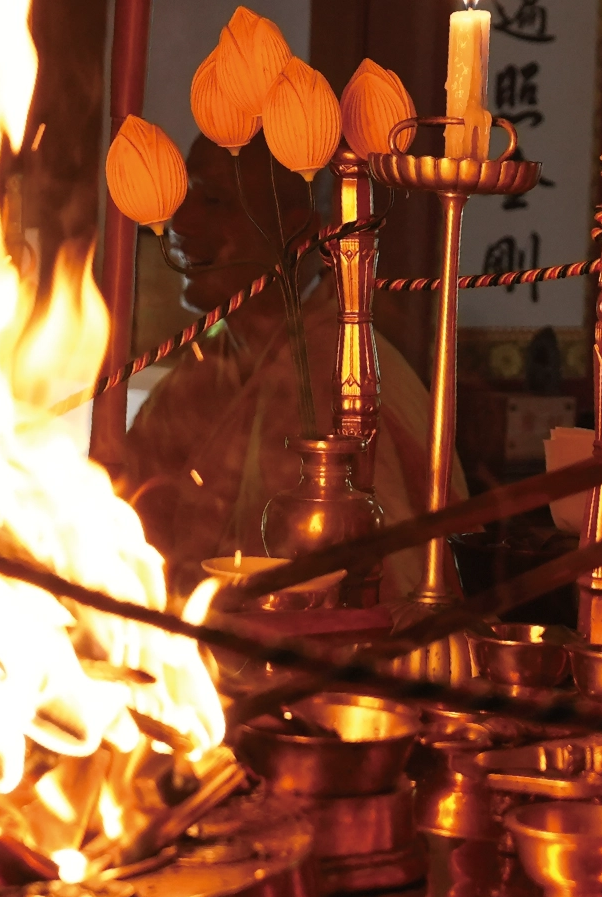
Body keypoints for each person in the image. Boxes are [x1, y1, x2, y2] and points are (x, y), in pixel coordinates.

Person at [111, 131, 437, 593]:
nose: (181, 222)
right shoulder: (212, 363)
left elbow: (390, 589)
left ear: (296, 230)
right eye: (184, 198)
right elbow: (119, 511)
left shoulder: (342, 378)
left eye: (215, 201)